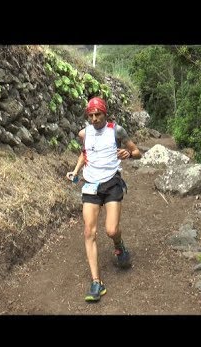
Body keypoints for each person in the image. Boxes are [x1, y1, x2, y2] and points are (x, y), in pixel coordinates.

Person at [66, 96, 141, 302]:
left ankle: (119, 245)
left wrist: (128, 153)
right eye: (90, 115)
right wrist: (75, 171)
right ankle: (96, 282)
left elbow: (137, 152)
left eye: (97, 114)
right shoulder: (84, 133)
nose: (94, 118)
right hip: (90, 185)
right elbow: (85, 153)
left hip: (111, 183)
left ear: (105, 113)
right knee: (89, 231)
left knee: (111, 230)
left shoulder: (117, 131)